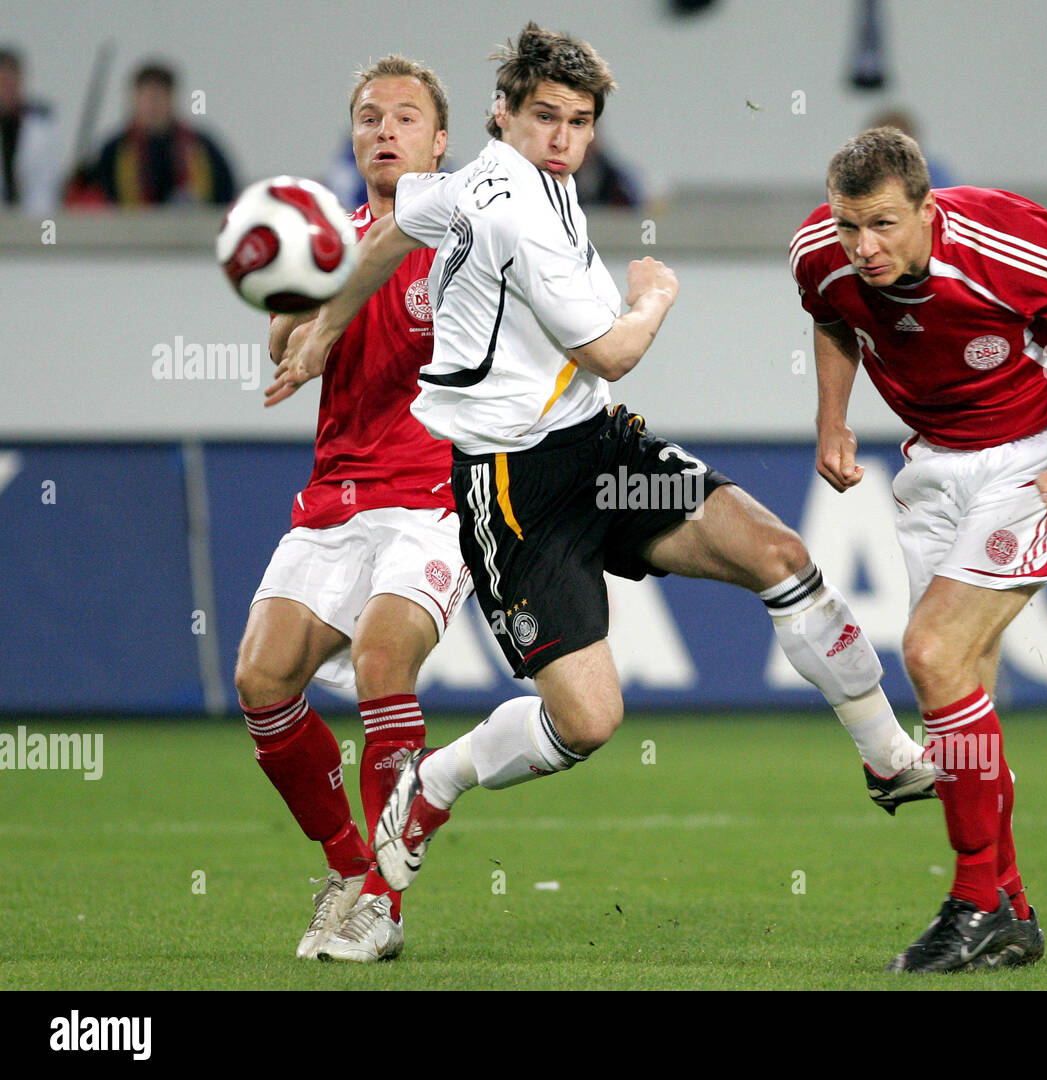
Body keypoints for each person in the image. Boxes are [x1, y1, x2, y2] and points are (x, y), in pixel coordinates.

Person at [278, 23, 936, 909]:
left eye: (580, 122)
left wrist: (322, 327)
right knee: (588, 721)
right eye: (545, 117)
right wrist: (656, 295)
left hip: (601, 451)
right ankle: (434, 784)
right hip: (514, 491)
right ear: (502, 116)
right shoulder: (512, 206)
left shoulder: (478, 185)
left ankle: (888, 756)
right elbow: (615, 351)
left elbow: (393, 232)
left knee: (779, 556)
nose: (564, 139)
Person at [792, 127, 1047, 972]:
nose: (862, 248)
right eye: (848, 226)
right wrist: (832, 420)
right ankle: (1012, 906)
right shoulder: (818, 254)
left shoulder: (1002, 241)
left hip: (1035, 454)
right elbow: (833, 322)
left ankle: (973, 899)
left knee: (931, 651)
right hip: (934, 465)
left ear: (926, 208)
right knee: (959, 691)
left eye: (881, 225)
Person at [236, 55, 471, 964]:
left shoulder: (462, 235)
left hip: (431, 499)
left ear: (439, 141)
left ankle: (384, 903)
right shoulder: (330, 240)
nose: (385, 130)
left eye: (406, 117)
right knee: (261, 680)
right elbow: (280, 341)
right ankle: (346, 868)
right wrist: (302, 287)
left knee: (381, 662)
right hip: (334, 498)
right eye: (370, 117)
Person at [92, 60, 235, 206]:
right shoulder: (114, 151)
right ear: (134, 100)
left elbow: (225, 197)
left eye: (159, 97)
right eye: (146, 97)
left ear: (172, 99)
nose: (152, 105)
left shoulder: (200, 148)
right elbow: (97, 202)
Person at [0, 46, 60, 216]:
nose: (7, 88)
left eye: (11, 81)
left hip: (36, 216)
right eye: (2, 81)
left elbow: (48, 179)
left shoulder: (42, 123)